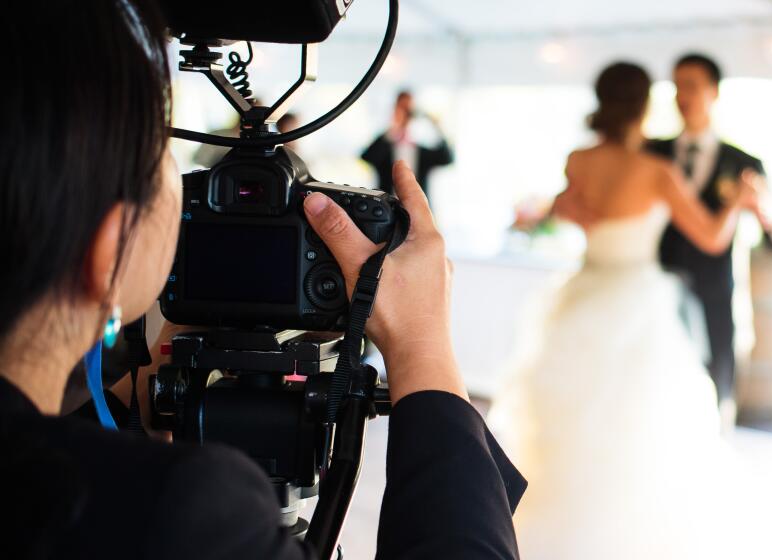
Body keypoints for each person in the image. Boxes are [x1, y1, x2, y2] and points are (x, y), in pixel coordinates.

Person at [0, 2, 525, 559]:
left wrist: (133, 396)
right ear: (108, 252)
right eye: (164, 162)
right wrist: (424, 350)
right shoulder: (175, 510)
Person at [489, 62, 764, 560]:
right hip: (638, 299)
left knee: (572, 420)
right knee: (644, 428)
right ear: (644, 105)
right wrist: (738, 203)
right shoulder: (656, 171)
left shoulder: (578, 158)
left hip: (582, 295)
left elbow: (567, 208)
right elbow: (710, 236)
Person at [647, 53, 768, 424]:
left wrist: (758, 206)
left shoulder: (743, 162)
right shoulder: (651, 153)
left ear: (714, 92)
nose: (682, 95)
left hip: (715, 288)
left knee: (715, 379)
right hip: (655, 284)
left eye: (692, 85)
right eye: (676, 86)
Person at [361, 90, 453, 198]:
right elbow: (366, 157)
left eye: (408, 111)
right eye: (401, 109)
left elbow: (447, 158)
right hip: (386, 210)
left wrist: (435, 125)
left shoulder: (422, 152)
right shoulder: (385, 147)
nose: (406, 115)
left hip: (418, 211)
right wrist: (394, 126)